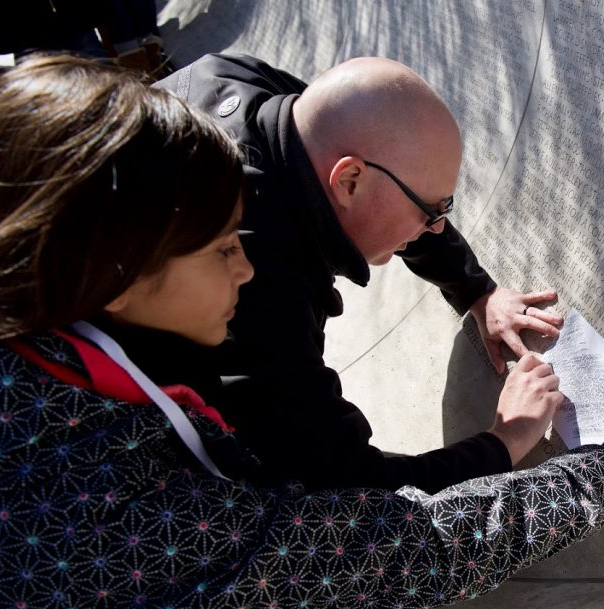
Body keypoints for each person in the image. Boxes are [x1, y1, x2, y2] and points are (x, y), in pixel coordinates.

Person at [0, 54, 604, 609]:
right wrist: (588, 466)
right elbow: (384, 545)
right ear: (113, 274)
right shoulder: (107, 521)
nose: (243, 264)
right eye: (220, 247)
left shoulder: (222, 102)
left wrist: (473, 287)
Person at [157, 54, 571, 494]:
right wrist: (504, 442)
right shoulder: (246, 289)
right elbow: (348, 488)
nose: (437, 227)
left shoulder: (232, 79)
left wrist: (476, 289)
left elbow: (360, 141)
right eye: (432, 211)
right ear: (349, 181)